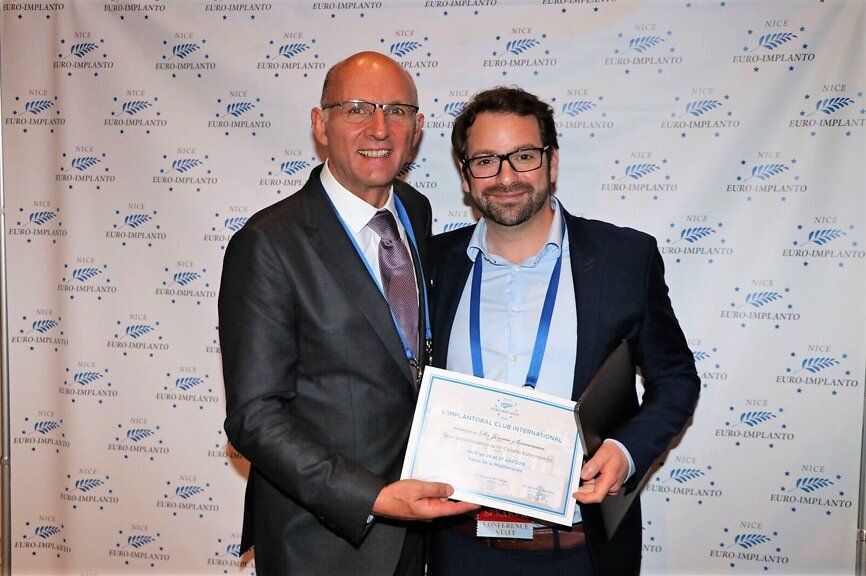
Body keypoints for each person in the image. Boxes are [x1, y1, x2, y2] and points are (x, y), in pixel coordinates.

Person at [218, 51, 477, 576]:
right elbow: (255, 417)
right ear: (321, 124)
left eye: (398, 111)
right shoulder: (268, 244)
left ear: (418, 128)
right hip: (321, 540)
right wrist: (377, 498)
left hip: (417, 533)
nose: (379, 128)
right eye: (357, 108)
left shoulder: (414, 209)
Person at [427, 86, 700, 576]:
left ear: (552, 164)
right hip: (458, 549)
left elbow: (677, 380)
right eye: (486, 161)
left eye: (523, 156)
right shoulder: (428, 266)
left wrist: (625, 450)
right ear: (466, 178)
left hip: (579, 552)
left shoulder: (624, 260)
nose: (506, 176)